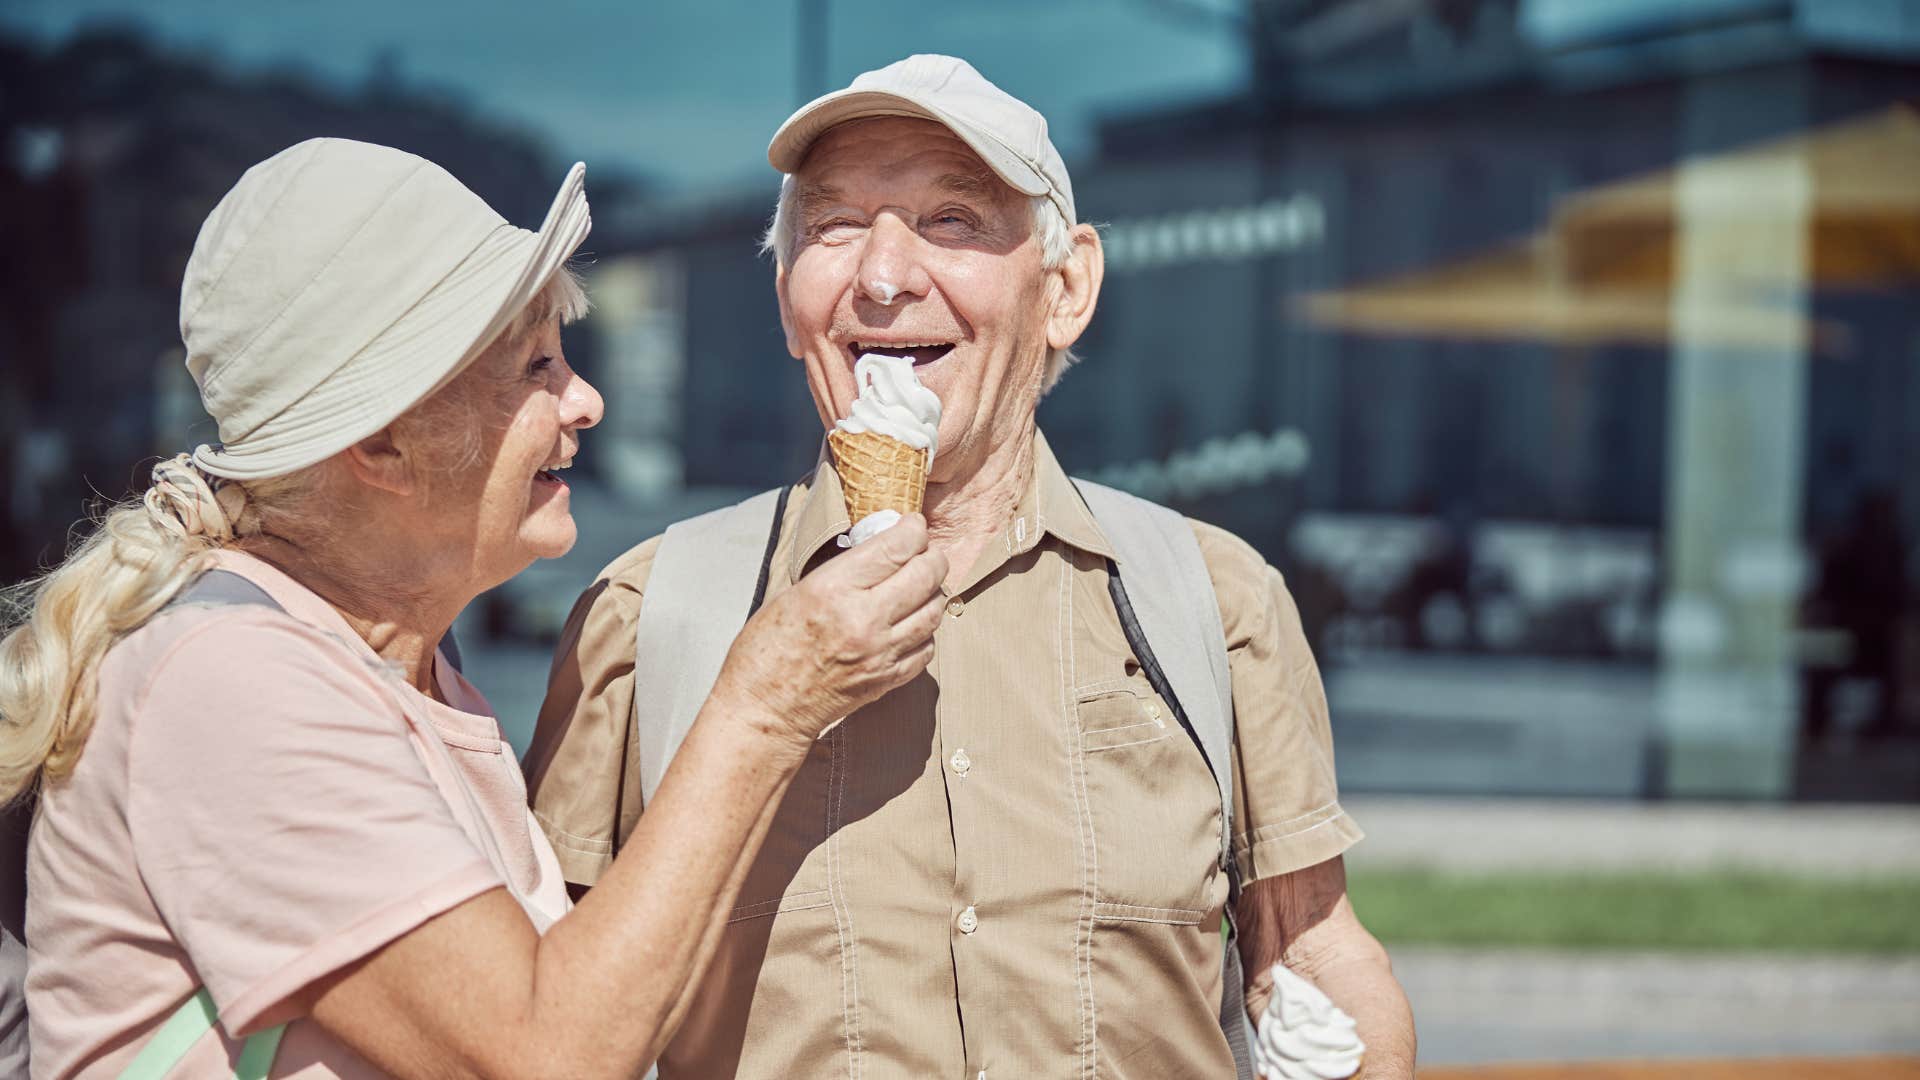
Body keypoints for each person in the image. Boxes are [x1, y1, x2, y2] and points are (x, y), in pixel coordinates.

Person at [526, 55, 1415, 1078]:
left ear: (1065, 290)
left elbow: (1312, 955)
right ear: (785, 298)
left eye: (951, 221)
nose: (884, 276)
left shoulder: (1216, 602)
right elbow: (545, 1020)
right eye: (835, 227)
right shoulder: (650, 615)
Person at [0, 137, 945, 1078]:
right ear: (382, 442)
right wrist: (767, 704)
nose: (585, 400)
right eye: (534, 367)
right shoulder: (230, 684)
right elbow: (549, 1053)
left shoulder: (403, 673)